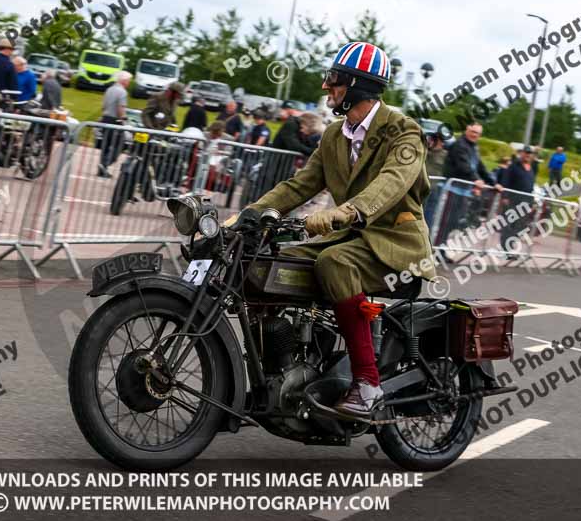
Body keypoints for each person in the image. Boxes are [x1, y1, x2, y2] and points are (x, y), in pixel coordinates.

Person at [226, 42, 435, 418]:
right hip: (350, 236)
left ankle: (368, 384)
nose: (327, 87)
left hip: (395, 243)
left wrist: (347, 212)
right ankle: (274, 373)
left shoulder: (405, 131)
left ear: (357, 84)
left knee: (335, 263)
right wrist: (249, 215)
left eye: (335, 79)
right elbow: (300, 185)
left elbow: (392, 181)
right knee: (262, 262)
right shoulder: (335, 135)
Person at [435, 122, 502, 254]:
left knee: (454, 223)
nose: (474, 135)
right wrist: (476, 179)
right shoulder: (459, 145)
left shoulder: (474, 147)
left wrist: (494, 183)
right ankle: (436, 250)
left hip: (464, 191)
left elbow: (480, 167)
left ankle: (440, 250)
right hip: (452, 190)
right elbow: (463, 165)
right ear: (467, 130)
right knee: (445, 223)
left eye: (477, 133)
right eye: (472, 132)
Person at [498, 147, 537, 255]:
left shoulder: (531, 168)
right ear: (522, 153)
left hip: (525, 202)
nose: (528, 155)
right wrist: (505, 196)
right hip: (512, 200)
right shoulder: (513, 166)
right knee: (508, 225)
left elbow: (530, 187)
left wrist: (532, 201)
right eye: (526, 153)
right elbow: (505, 181)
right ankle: (506, 250)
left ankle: (510, 247)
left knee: (520, 226)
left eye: (530, 153)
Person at [98, 70, 132, 178]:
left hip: (105, 118)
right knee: (120, 144)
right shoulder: (122, 92)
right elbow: (121, 107)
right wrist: (123, 119)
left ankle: (102, 167)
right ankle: (105, 164)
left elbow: (103, 106)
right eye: (128, 81)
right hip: (115, 120)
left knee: (106, 145)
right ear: (124, 81)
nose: (129, 83)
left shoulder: (109, 89)